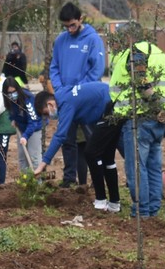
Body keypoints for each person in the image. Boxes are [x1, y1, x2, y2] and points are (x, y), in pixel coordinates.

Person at [108, 39, 165, 218]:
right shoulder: (157, 52)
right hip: (160, 119)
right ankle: (153, 211)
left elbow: (140, 80)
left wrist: (156, 107)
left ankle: (141, 212)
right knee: (153, 166)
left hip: (141, 116)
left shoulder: (137, 52)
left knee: (136, 166)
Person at [33, 82, 120, 210]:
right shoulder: (63, 95)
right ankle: (114, 203)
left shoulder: (66, 103)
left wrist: (43, 163)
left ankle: (101, 200)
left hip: (110, 109)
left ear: (50, 104)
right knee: (107, 158)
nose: (48, 117)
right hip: (111, 106)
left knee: (91, 153)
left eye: (46, 113)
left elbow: (60, 136)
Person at [49, 2, 105, 188]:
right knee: (67, 140)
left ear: (80, 19)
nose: (70, 30)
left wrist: (79, 91)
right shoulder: (61, 41)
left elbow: (96, 70)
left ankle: (97, 179)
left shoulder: (92, 39)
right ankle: (69, 179)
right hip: (67, 99)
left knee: (92, 141)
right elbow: (54, 67)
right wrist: (60, 89)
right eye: (66, 26)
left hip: (86, 100)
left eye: (72, 25)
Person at [1, 77, 43, 171]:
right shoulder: (8, 100)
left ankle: (37, 182)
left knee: (33, 157)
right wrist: (13, 119)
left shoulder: (27, 98)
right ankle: (24, 180)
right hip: (21, 128)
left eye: (14, 91)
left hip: (34, 128)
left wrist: (25, 136)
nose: (12, 95)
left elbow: (33, 121)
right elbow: (11, 112)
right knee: (22, 157)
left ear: (17, 89)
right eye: (9, 93)